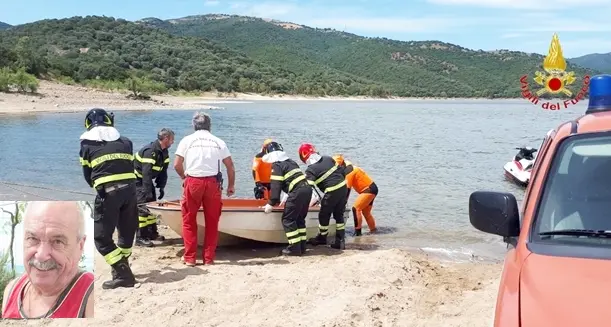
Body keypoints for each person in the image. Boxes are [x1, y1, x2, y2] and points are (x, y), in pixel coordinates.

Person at [78, 108, 138, 289]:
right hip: (131, 192)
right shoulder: (126, 142)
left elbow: (87, 174)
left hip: (108, 194)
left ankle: (123, 274)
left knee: (102, 239)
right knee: (126, 234)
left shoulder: (86, 145)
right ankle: (122, 267)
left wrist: (99, 188)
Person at [2, 202, 94, 318]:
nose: (41, 255)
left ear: (80, 246)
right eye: (33, 238)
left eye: (57, 241)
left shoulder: (91, 297)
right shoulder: (12, 291)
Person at [174, 111, 236, 266]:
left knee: (189, 220)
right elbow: (230, 166)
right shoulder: (218, 141)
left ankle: (190, 258)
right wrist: (231, 186)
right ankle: (208, 258)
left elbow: (177, 164)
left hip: (193, 181)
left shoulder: (187, 140)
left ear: (194, 125)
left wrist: (183, 177)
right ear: (210, 126)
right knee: (212, 221)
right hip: (213, 184)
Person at [261, 141, 314, 256]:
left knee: (288, 220)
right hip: (307, 190)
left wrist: (270, 204)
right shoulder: (291, 162)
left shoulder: (277, 165)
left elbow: (276, 187)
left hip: (297, 192)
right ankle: (301, 246)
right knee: (299, 219)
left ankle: (294, 248)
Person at [299, 143, 348, 250]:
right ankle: (340, 241)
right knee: (339, 214)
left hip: (331, 191)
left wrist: (301, 202)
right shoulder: (328, 158)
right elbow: (341, 172)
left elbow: (308, 189)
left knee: (323, 215)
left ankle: (322, 238)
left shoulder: (311, 170)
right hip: (343, 188)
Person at [134, 128, 175, 247]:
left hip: (146, 180)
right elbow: (146, 173)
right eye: (172, 139)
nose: (173, 142)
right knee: (142, 208)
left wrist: (161, 186)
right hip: (137, 180)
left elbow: (163, 172)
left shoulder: (164, 152)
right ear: (166, 138)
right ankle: (140, 237)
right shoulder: (150, 151)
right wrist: (147, 191)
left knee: (151, 206)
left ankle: (151, 233)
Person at [333, 154, 378, 236]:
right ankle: (374, 231)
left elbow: (347, 191)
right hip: (373, 188)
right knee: (366, 212)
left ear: (342, 165)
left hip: (368, 190)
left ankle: (358, 233)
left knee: (356, 209)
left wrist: (342, 204)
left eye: (338, 167)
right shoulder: (349, 167)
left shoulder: (348, 172)